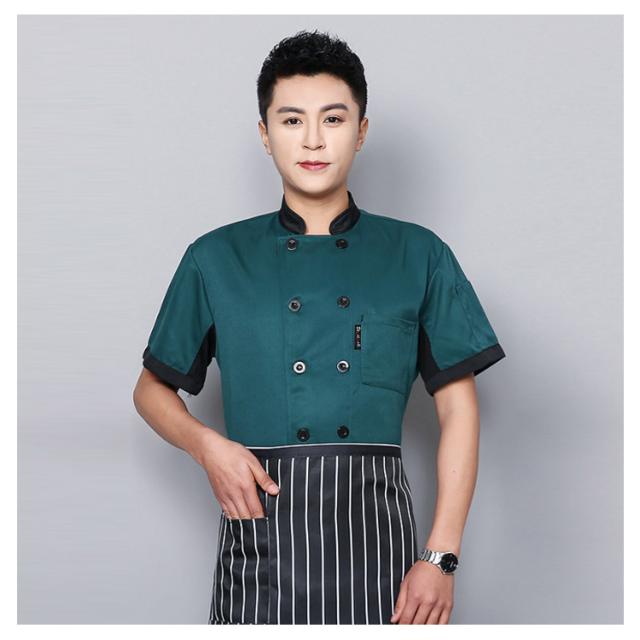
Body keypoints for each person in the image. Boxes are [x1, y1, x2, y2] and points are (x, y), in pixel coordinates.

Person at [133, 29, 506, 625]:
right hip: (260, 550)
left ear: (361, 130)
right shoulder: (215, 259)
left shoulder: (419, 254)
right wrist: (207, 447)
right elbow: (151, 390)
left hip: (382, 555)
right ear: (265, 134)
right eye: (291, 120)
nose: (312, 140)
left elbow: (459, 410)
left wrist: (441, 557)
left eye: (333, 119)